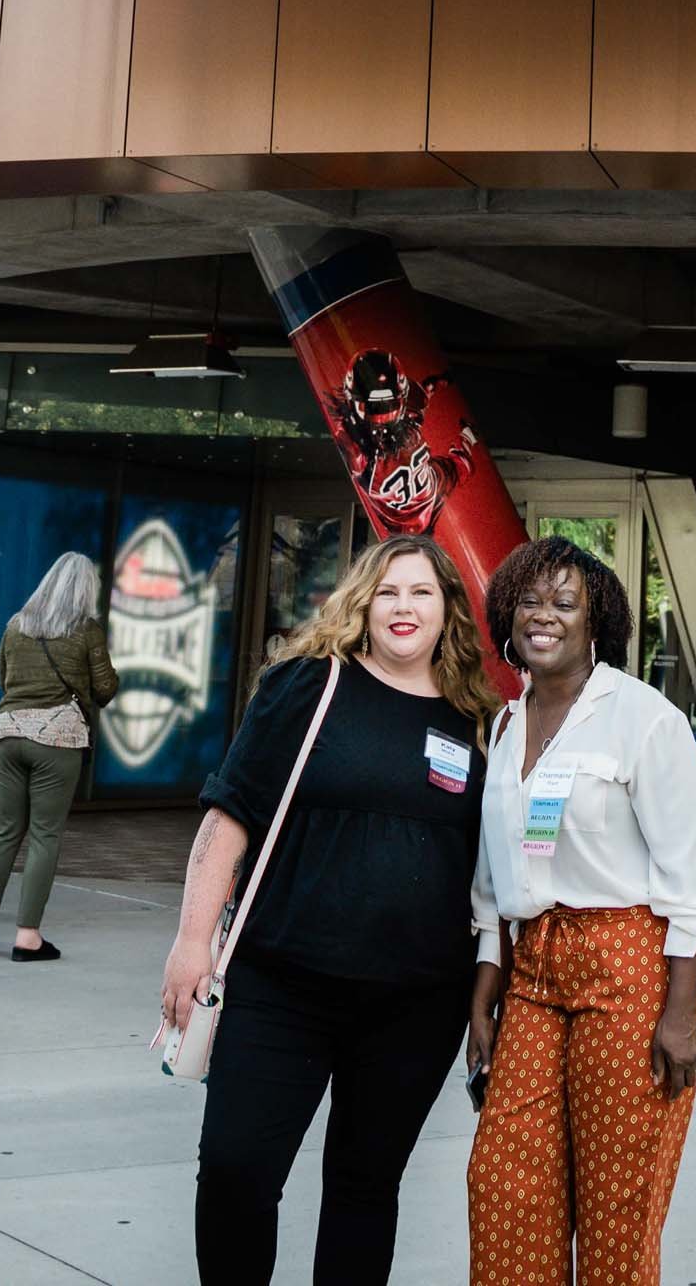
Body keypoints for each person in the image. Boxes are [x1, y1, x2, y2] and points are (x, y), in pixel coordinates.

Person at [159, 534, 492, 1285]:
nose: (403, 607)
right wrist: (190, 941)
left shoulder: (477, 722)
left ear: (448, 612)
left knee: (365, 1188)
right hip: (283, 985)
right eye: (388, 592)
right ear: (363, 604)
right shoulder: (308, 687)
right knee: (238, 1170)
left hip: (414, 1003)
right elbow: (229, 816)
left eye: (421, 593)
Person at [467, 534, 696, 1286]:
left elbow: (692, 878)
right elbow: (499, 869)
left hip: (639, 962)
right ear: (507, 613)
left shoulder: (644, 720)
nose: (543, 616)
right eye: (529, 600)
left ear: (597, 622)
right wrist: (487, 981)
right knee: (504, 1183)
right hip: (534, 964)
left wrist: (680, 1013)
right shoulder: (505, 722)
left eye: (564, 602)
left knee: (617, 1204)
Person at [0, 548, 119, 959]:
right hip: (57, 739)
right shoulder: (86, 630)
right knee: (44, 834)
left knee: (3, 829)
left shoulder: (16, 625)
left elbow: (4, 678)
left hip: (10, 731)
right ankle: (27, 936)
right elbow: (104, 689)